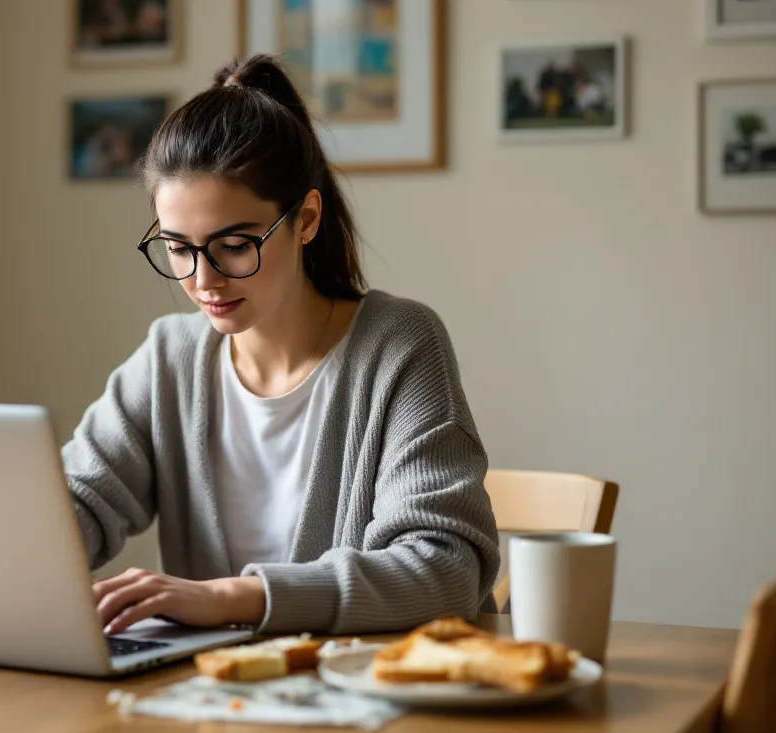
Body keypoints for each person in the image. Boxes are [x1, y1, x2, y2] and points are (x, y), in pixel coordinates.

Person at [62, 55, 500, 638]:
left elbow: (447, 569)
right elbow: (79, 503)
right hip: (219, 704)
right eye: (177, 247)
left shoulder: (398, 347)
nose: (203, 281)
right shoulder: (170, 357)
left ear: (307, 219)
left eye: (235, 245)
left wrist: (233, 598)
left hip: (380, 708)